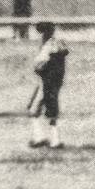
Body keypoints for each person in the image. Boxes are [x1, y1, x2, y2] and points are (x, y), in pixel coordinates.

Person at [28, 21, 69, 149]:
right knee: (52, 111)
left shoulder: (47, 47)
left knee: (34, 109)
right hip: (55, 82)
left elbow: (39, 65)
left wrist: (39, 70)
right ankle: (53, 140)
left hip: (46, 82)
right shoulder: (59, 44)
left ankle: (41, 138)